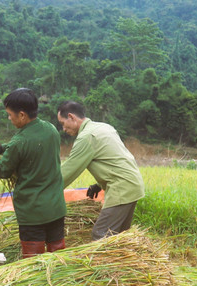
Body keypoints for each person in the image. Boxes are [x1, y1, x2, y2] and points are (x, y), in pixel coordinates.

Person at [0, 88, 66, 258]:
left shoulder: (19, 142)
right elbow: (27, 143)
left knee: (34, 261)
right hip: (56, 208)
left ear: (22, 115)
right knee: (58, 255)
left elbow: (2, 170)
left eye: (11, 115)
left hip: (33, 212)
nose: (10, 119)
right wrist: (1, 148)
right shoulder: (51, 129)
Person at [56, 100, 145, 239]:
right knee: (119, 236)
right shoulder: (104, 127)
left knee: (100, 235)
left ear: (71, 117)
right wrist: (99, 185)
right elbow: (115, 160)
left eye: (62, 123)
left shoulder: (87, 137)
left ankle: (105, 261)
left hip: (121, 189)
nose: (64, 129)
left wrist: (44, 192)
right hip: (133, 184)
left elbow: (68, 172)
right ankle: (123, 260)